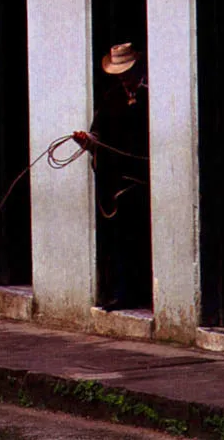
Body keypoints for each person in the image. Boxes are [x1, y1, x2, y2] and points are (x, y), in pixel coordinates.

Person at [75, 43, 151, 312]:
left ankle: (141, 291)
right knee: (121, 236)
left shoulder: (150, 95)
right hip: (119, 180)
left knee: (142, 235)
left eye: (126, 72)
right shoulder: (111, 98)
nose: (123, 77)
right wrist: (87, 142)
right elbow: (98, 134)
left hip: (144, 176)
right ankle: (123, 292)